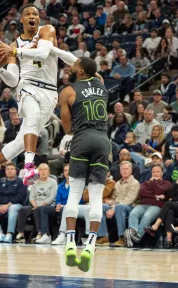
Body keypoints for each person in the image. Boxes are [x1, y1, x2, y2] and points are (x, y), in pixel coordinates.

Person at [0, 5, 67, 188]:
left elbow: (43, 53)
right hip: (27, 87)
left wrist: (13, 52)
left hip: (49, 92)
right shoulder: (14, 45)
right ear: (21, 19)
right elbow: (13, 81)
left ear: (38, 19)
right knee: (33, 115)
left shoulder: (47, 31)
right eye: (28, 14)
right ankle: (28, 166)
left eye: (35, 14)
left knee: (19, 143)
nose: (32, 16)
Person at [58, 57, 110, 272]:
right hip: (102, 141)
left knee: (75, 193)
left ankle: (70, 242)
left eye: (75, 64)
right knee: (96, 196)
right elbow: (96, 76)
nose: (71, 66)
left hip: (81, 139)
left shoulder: (68, 92)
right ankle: (90, 245)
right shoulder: (102, 86)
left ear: (80, 71)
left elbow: (67, 127)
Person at [144, 167, 178, 248]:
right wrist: (177, 182)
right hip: (177, 207)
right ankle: (169, 240)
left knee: (168, 203)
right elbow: (169, 194)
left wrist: (175, 199)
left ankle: (156, 225)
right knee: (169, 212)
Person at [123, 164, 172, 248]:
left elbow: (159, 189)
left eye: (158, 172)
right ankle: (132, 232)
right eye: (154, 172)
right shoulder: (145, 183)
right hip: (143, 204)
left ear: (162, 173)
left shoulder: (166, 183)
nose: (155, 174)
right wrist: (155, 195)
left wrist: (154, 183)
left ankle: (137, 237)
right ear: (151, 173)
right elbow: (142, 192)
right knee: (133, 213)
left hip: (156, 206)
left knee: (147, 216)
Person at [97, 161, 140, 247]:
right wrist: (110, 202)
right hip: (117, 206)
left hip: (130, 207)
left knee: (120, 207)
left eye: (127, 169)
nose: (125, 171)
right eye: (123, 169)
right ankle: (104, 236)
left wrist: (113, 208)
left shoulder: (135, 183)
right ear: (120, 171)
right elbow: (114, 198)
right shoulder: (117, 184)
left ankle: (122, 238)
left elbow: (129, 200)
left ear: (131, 171)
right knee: (102, 206)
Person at [0, 162, 28, 243]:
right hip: (1, 205)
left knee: (12, 208)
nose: (9, 171)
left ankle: (9, 233)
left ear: (16, 171)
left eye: (12, 169)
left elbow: (20, 197)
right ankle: (0, 233)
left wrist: (8, 205)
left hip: (15, 205)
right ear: (5, 172)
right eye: (8, 169)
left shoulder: (21, 181)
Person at [16, 164, 58, 244]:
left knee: (39, 209)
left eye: (45, 169)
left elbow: (52, 197)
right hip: (35, 205)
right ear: (38, 172)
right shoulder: (35, 183)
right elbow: (31, 197)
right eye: (41, 169)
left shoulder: (53, 182)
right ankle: (21, 233)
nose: (43, 171)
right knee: (22, 209)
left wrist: (39, 206)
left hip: (48, 206)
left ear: (48, 171)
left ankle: (40, 233)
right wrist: (35, 205)